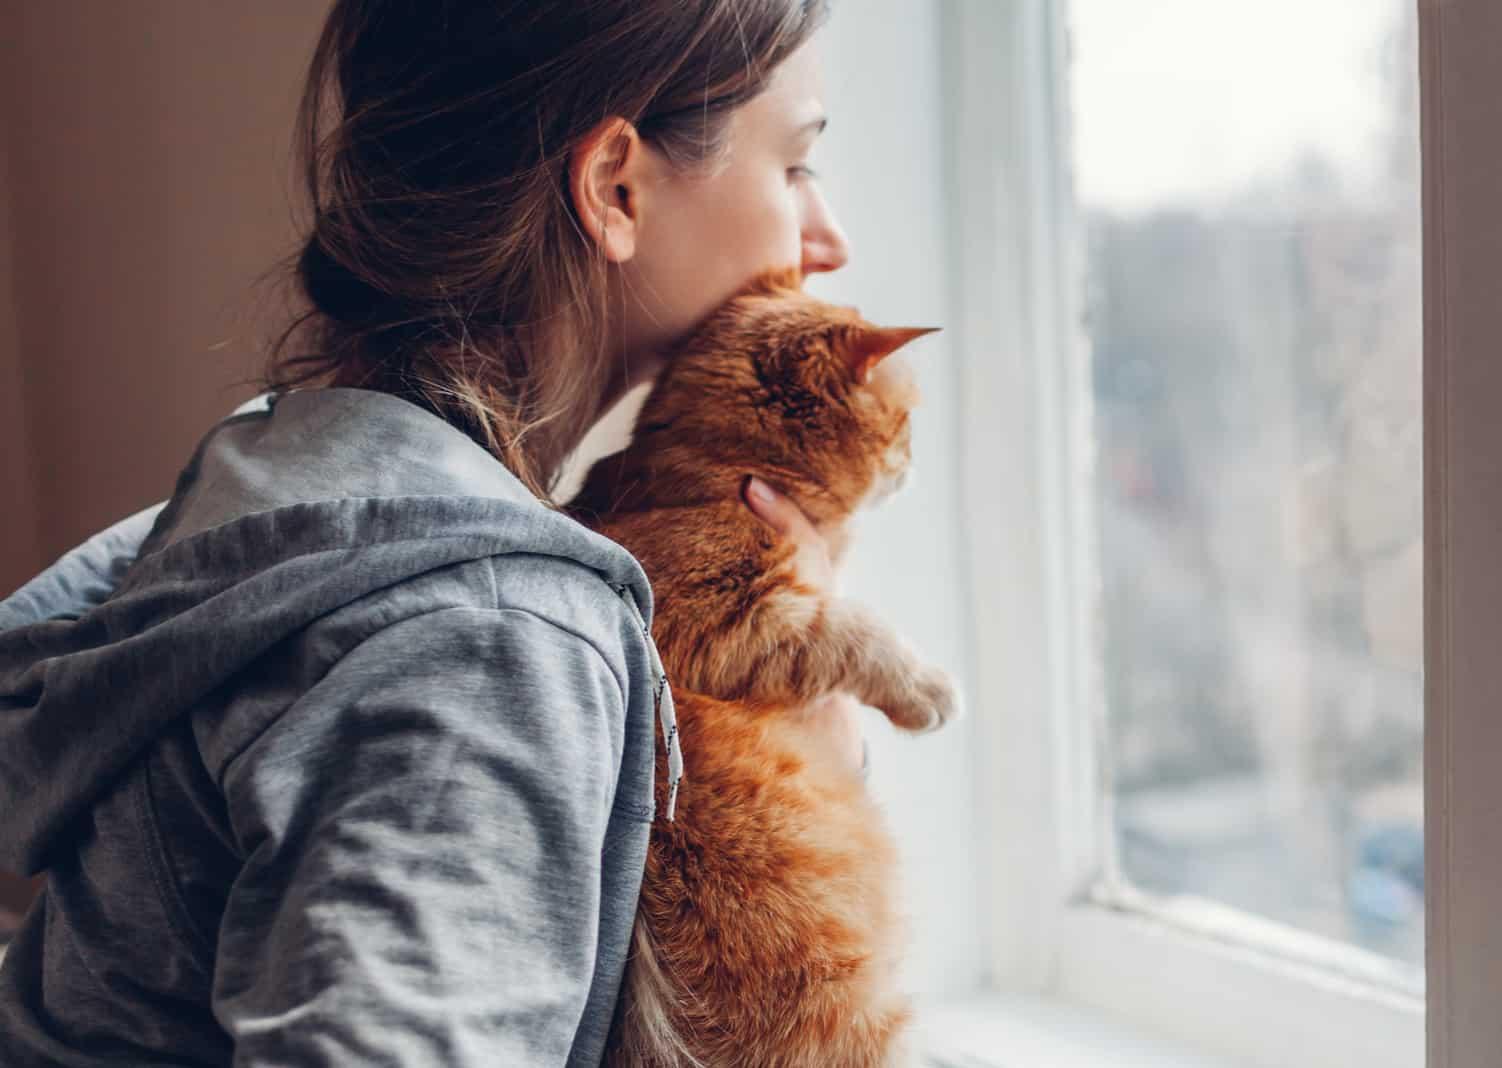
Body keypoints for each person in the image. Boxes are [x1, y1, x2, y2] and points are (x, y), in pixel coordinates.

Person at [0, 1, 867, 1063]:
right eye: (793, 166)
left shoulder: (291, 478)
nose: (827, 240)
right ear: (616, 187)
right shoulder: (486, 641)